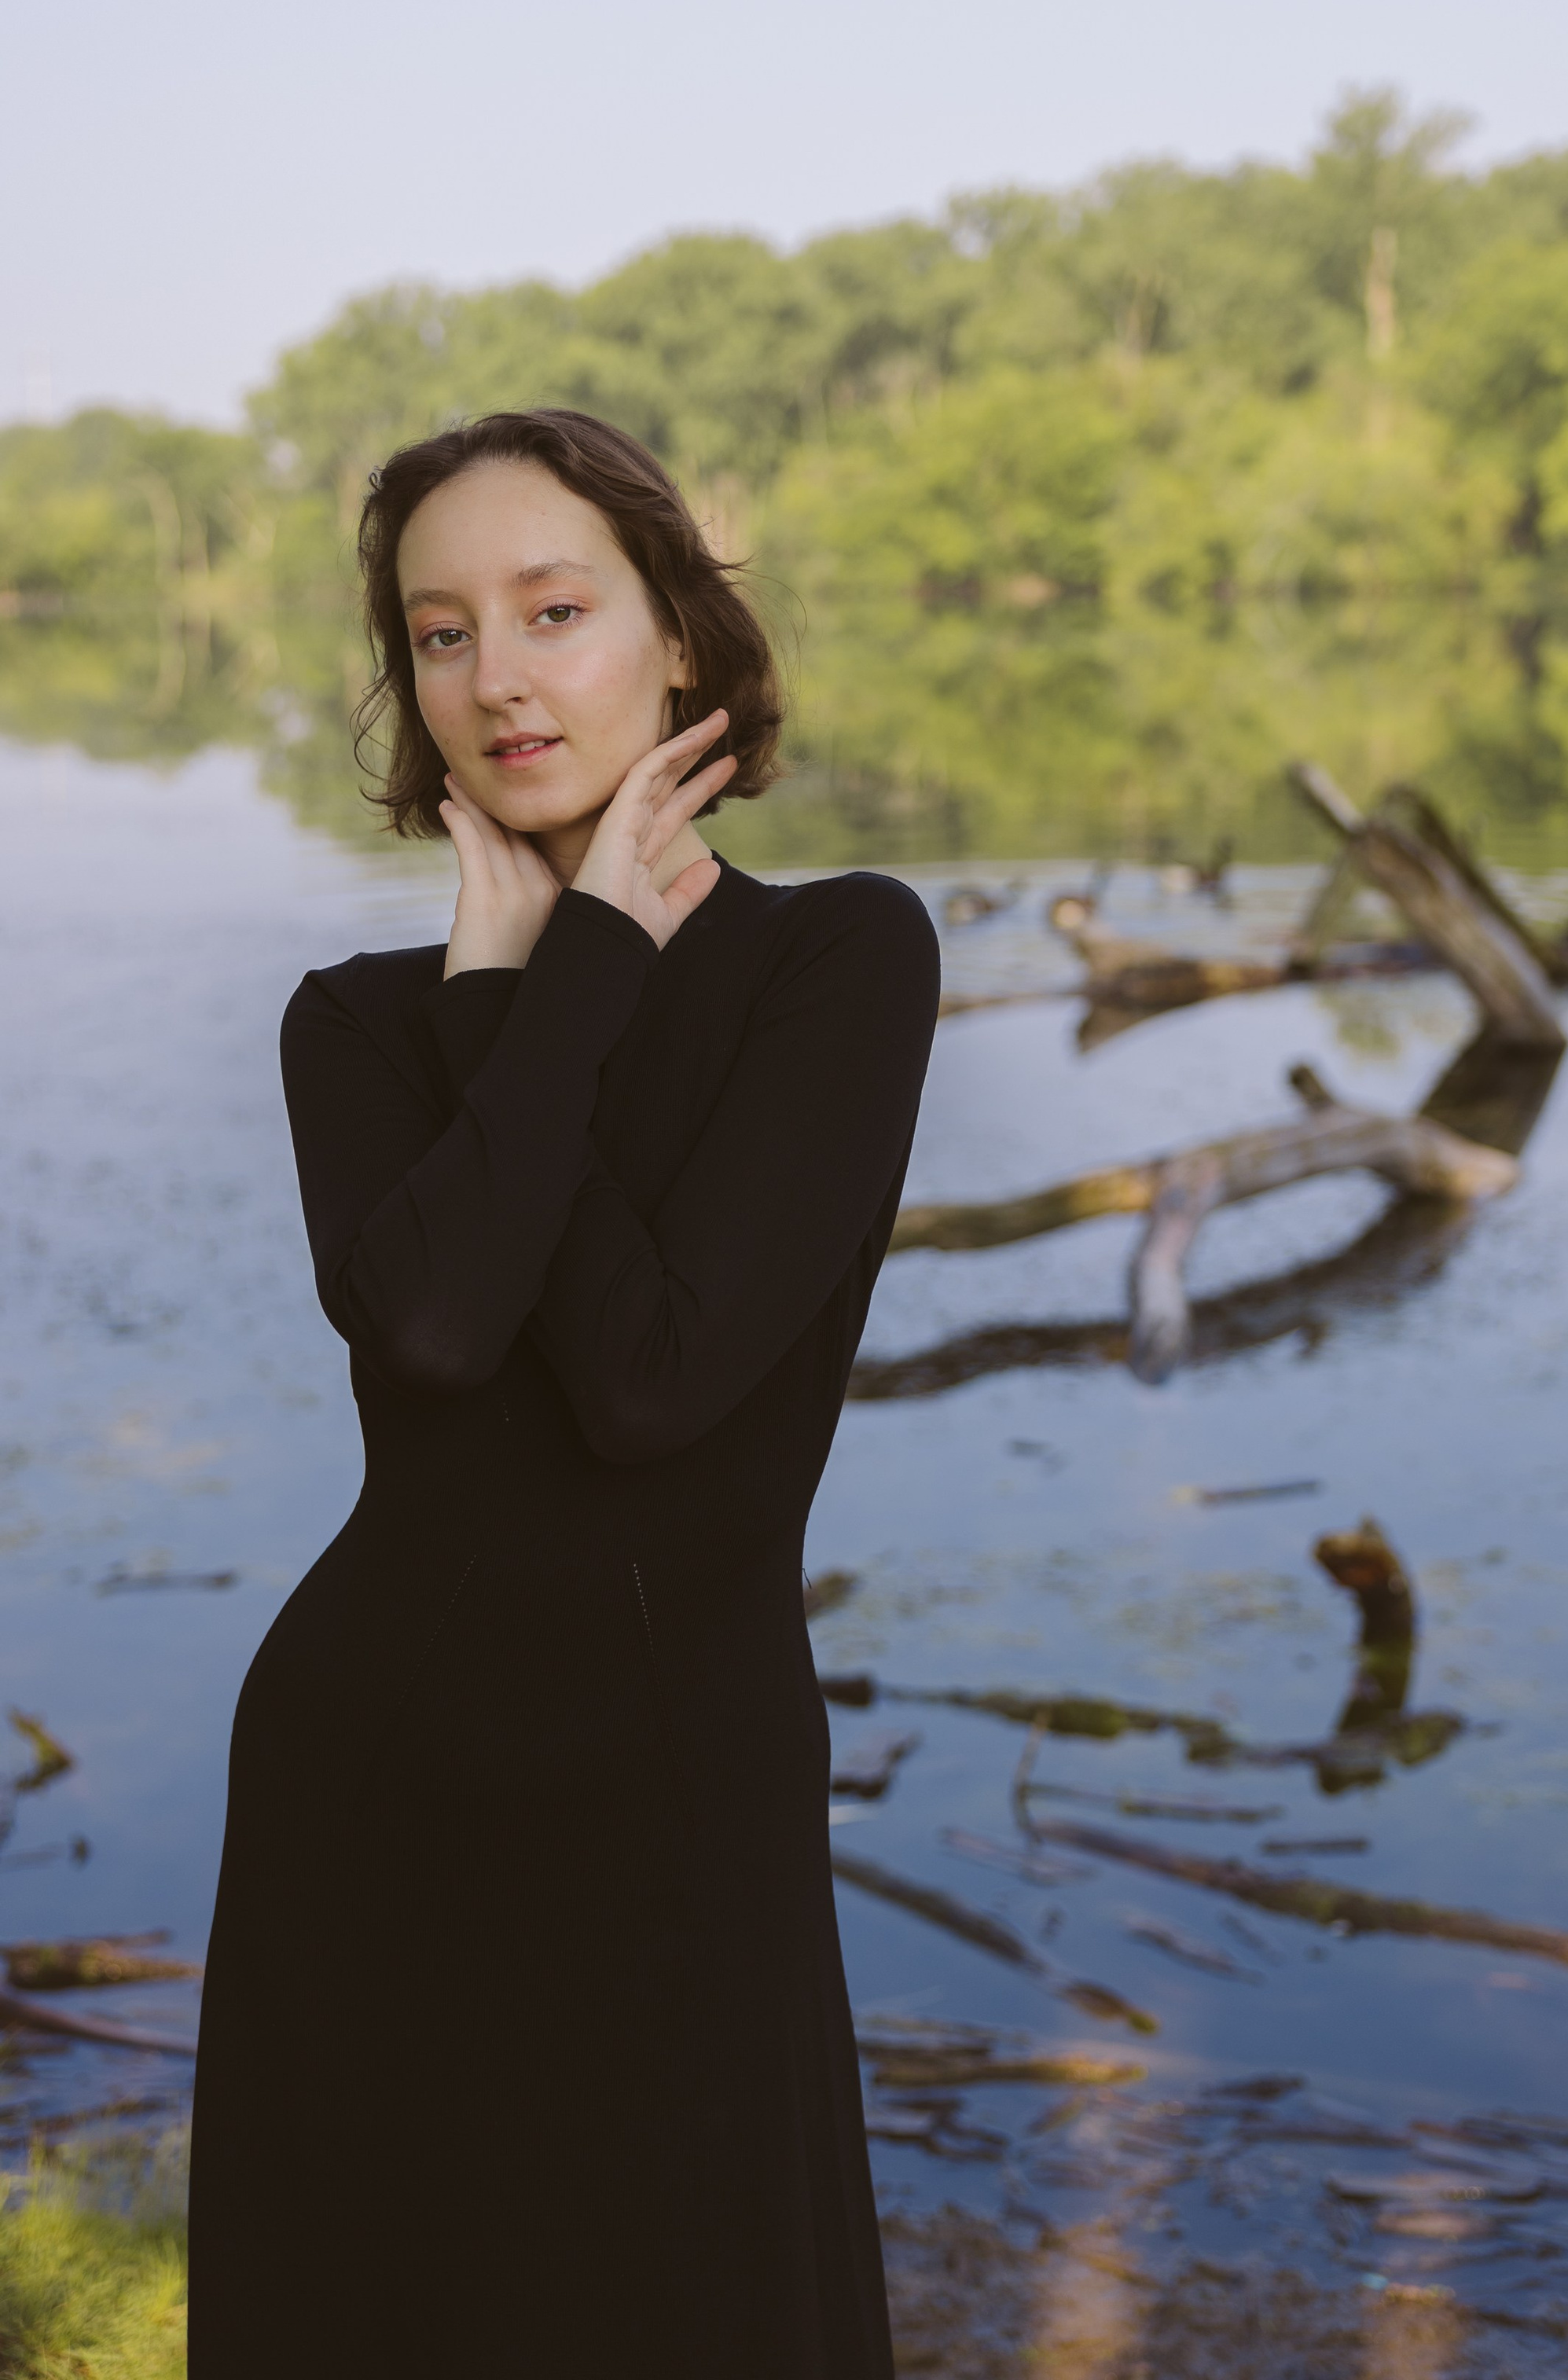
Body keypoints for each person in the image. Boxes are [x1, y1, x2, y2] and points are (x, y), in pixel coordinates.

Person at [189, 406, 938, 2377]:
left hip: (676, 1803)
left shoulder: (839, 962)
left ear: (678, 636)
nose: (498, 674)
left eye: (552, 608)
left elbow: (646, 1382)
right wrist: (542, 974)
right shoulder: (353, 1022)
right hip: (373, 1792)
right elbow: (434, 1337)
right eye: (441, 634)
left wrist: (545, 975)